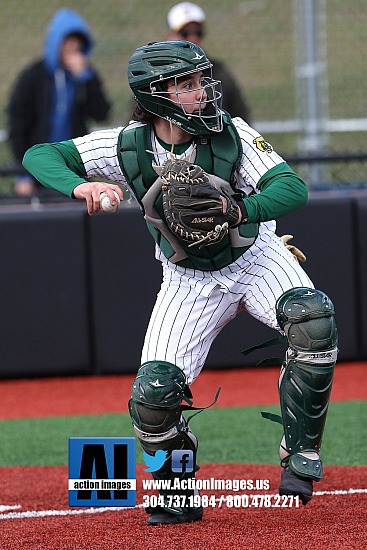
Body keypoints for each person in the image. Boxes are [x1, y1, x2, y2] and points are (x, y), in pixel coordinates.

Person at [23, 40, 338, 526]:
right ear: (157, 95)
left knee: (312, 319)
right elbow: (40, 155)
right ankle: (178, 489)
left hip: (255, 256)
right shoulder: (125, 144)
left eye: (200, 81)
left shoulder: (230, 132)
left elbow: (291, 187)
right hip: (188, 279)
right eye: (187, 85)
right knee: (152, 396)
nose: (201, 93)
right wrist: (80, 185)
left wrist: (241, 208)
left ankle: (300, 452)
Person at [7, 8, 111, 197]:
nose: (73, 48)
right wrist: (23, 174)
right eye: (68, 41)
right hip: (39, 167)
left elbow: (101, 112)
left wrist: (85, 79)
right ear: (57, 43)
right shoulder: (34, 77)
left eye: (77, 43)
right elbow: (17, 125)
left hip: (73, 166)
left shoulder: (85, 77)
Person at [166, 2, 251, 121]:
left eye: (198, 32)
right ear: (169, 36)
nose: (193, 38)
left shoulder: (219, 73)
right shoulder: (157, 75)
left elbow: (240, 116)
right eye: (185, 33)